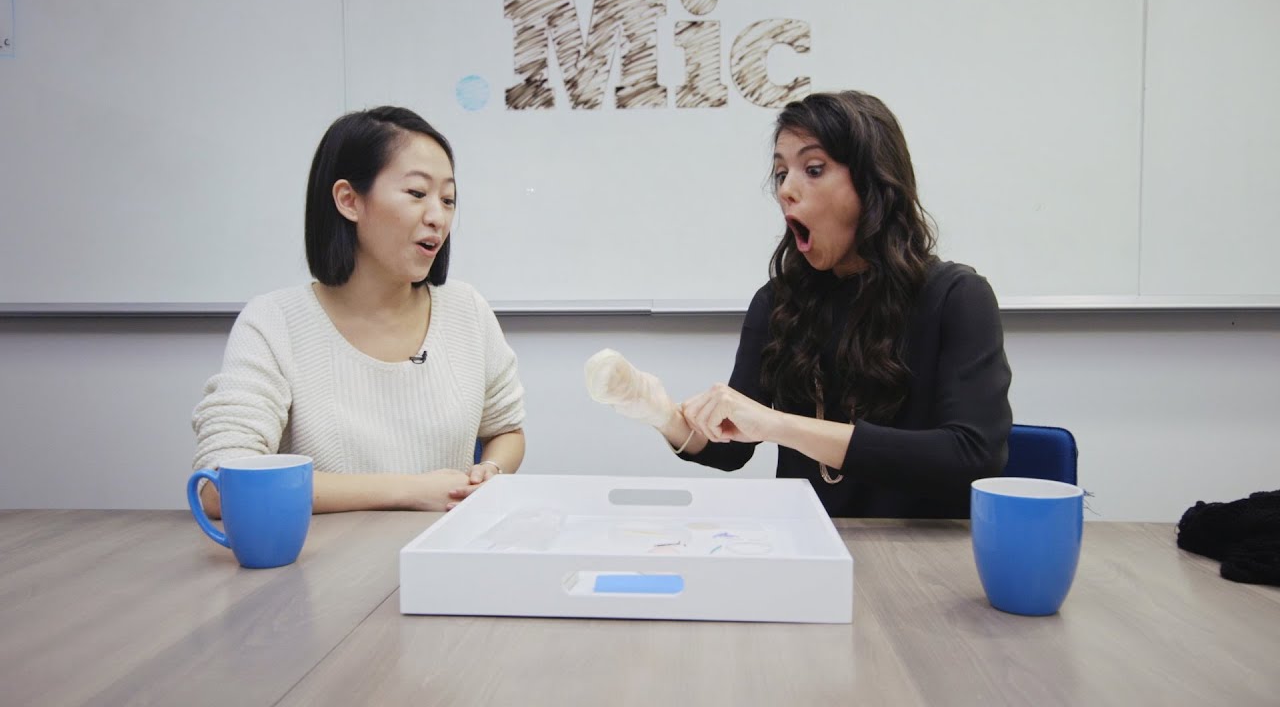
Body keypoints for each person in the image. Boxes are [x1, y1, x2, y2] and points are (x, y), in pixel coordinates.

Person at [602, 91, 1011, 518]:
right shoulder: (777, 303)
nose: (786, 190)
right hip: (809, 540)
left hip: (920, 550)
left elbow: (972, 455)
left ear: (873, 182)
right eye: (781, 173)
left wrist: (779, 425)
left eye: (813, 169)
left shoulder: (957, 297)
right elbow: (730, 448)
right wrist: (659, 411)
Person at [192, 106, 526, 517]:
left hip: (441, 549)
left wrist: (491, 471)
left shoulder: (467, 311)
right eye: (417, 194)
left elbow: (506, 430)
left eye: (448, 200)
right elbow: (219, 487)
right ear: (349, 200)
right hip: (327, 555)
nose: (438, 217)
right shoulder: (274, 322)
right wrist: (410, 491)